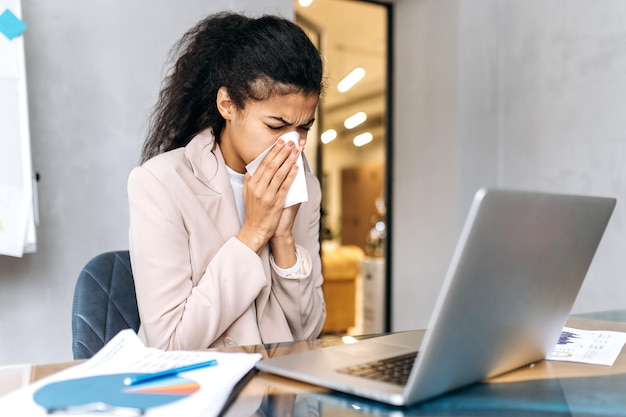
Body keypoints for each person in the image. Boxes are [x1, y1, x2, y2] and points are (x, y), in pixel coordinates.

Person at [127, 12, 326, 350]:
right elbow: (169, 345)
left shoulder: (305, 188)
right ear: (228, 104)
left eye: (304, 127)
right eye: (276, 126)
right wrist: (253, 234)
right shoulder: (160, 184)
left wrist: (282, 239)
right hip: (197, 390)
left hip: (278, 390)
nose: (294, 145)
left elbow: (310, 332)